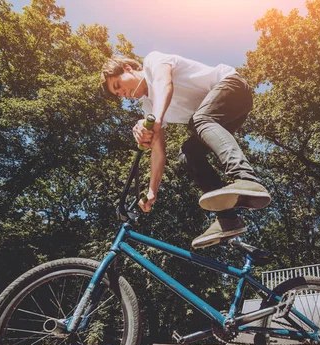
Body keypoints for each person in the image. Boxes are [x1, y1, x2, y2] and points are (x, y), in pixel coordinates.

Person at [100, 51, 271, 248]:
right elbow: (158, 152)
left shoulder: (152, 62)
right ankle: (227, 219)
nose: (121, 93)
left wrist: (155, 120)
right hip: (223, 115)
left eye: (118, 85)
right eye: (117, 94)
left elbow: (165, 84)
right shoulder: (148, 107)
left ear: (128, 69)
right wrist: (151, 191)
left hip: (232, 86)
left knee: (199, 120)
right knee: (188, 154)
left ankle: (246, 178)